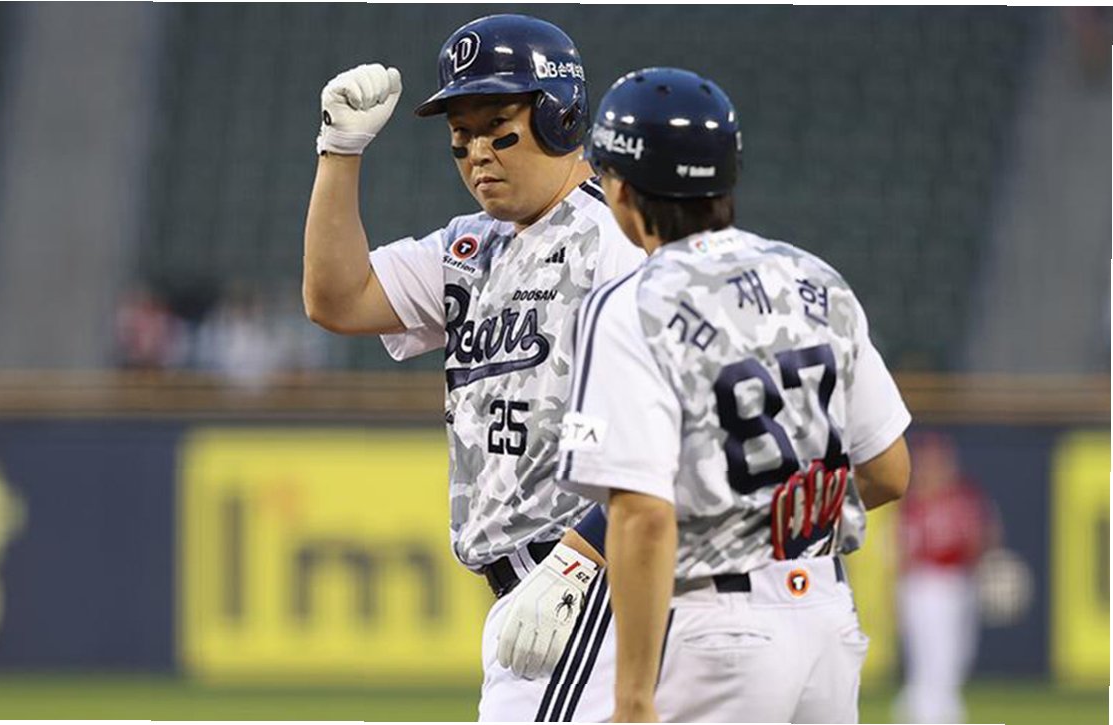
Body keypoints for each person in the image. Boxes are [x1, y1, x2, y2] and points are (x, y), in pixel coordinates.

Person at [301, 14, 645, 721]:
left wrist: (581, 560)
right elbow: (336, 298)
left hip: (595, 579)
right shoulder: (470, 247)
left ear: (559, 115)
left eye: (497, 128)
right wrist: (339, 152)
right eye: (461, 137)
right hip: (534, 591)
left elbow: (672, 427)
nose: (477, 153)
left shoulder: (616, 238)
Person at [556, 67, 912, 723]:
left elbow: (641, 514)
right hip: (826, 617)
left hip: (717, 625)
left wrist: (632, 698)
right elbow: (890, 470)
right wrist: (777, 520)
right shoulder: (815, 279)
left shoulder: (633, 303)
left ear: (620, 188)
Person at [894, 431, 998, 724]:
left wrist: (983, 565)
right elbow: (902, 550)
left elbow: (985, 533)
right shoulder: (914, 503)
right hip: (924, 583)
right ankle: (930, 712)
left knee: (958, 654)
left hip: (958, 580)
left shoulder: (964, 497)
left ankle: (932, 707)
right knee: (930, 655)